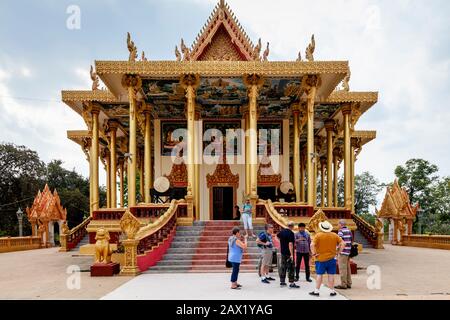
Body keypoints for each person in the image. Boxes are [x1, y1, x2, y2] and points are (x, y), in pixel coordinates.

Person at [309, 221, 345, 297]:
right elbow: (343, 243)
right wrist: (338, 252)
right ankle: (332, 291)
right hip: (332, 258)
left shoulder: (318, 235)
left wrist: (314, 253)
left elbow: (312, 245)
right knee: (331, 275)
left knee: (319, 275)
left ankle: (316, 291)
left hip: (320, 259)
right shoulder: (334, 235)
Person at [277, 221, 299, 288]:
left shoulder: (282, 232)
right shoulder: (291, 233)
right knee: (291, 267)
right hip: (289, 253)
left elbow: (277, 236)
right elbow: (290, 244)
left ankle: (282, 281)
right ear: (292, 226)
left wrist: (281, 243)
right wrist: (291, 254)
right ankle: (291, 283)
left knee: (283, 266)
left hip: (283, 252)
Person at [335, 219, 353, 289]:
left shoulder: (340, 231)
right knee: (348, 268)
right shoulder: (349, 231)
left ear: (340, 224)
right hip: (348, 251)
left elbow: (340, 243)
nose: (338, 225)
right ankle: (349, 283)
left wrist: (337, 251)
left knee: (342, 268)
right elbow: (351, 241)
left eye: (338, 224)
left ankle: (343, 284)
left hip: (342, 252)